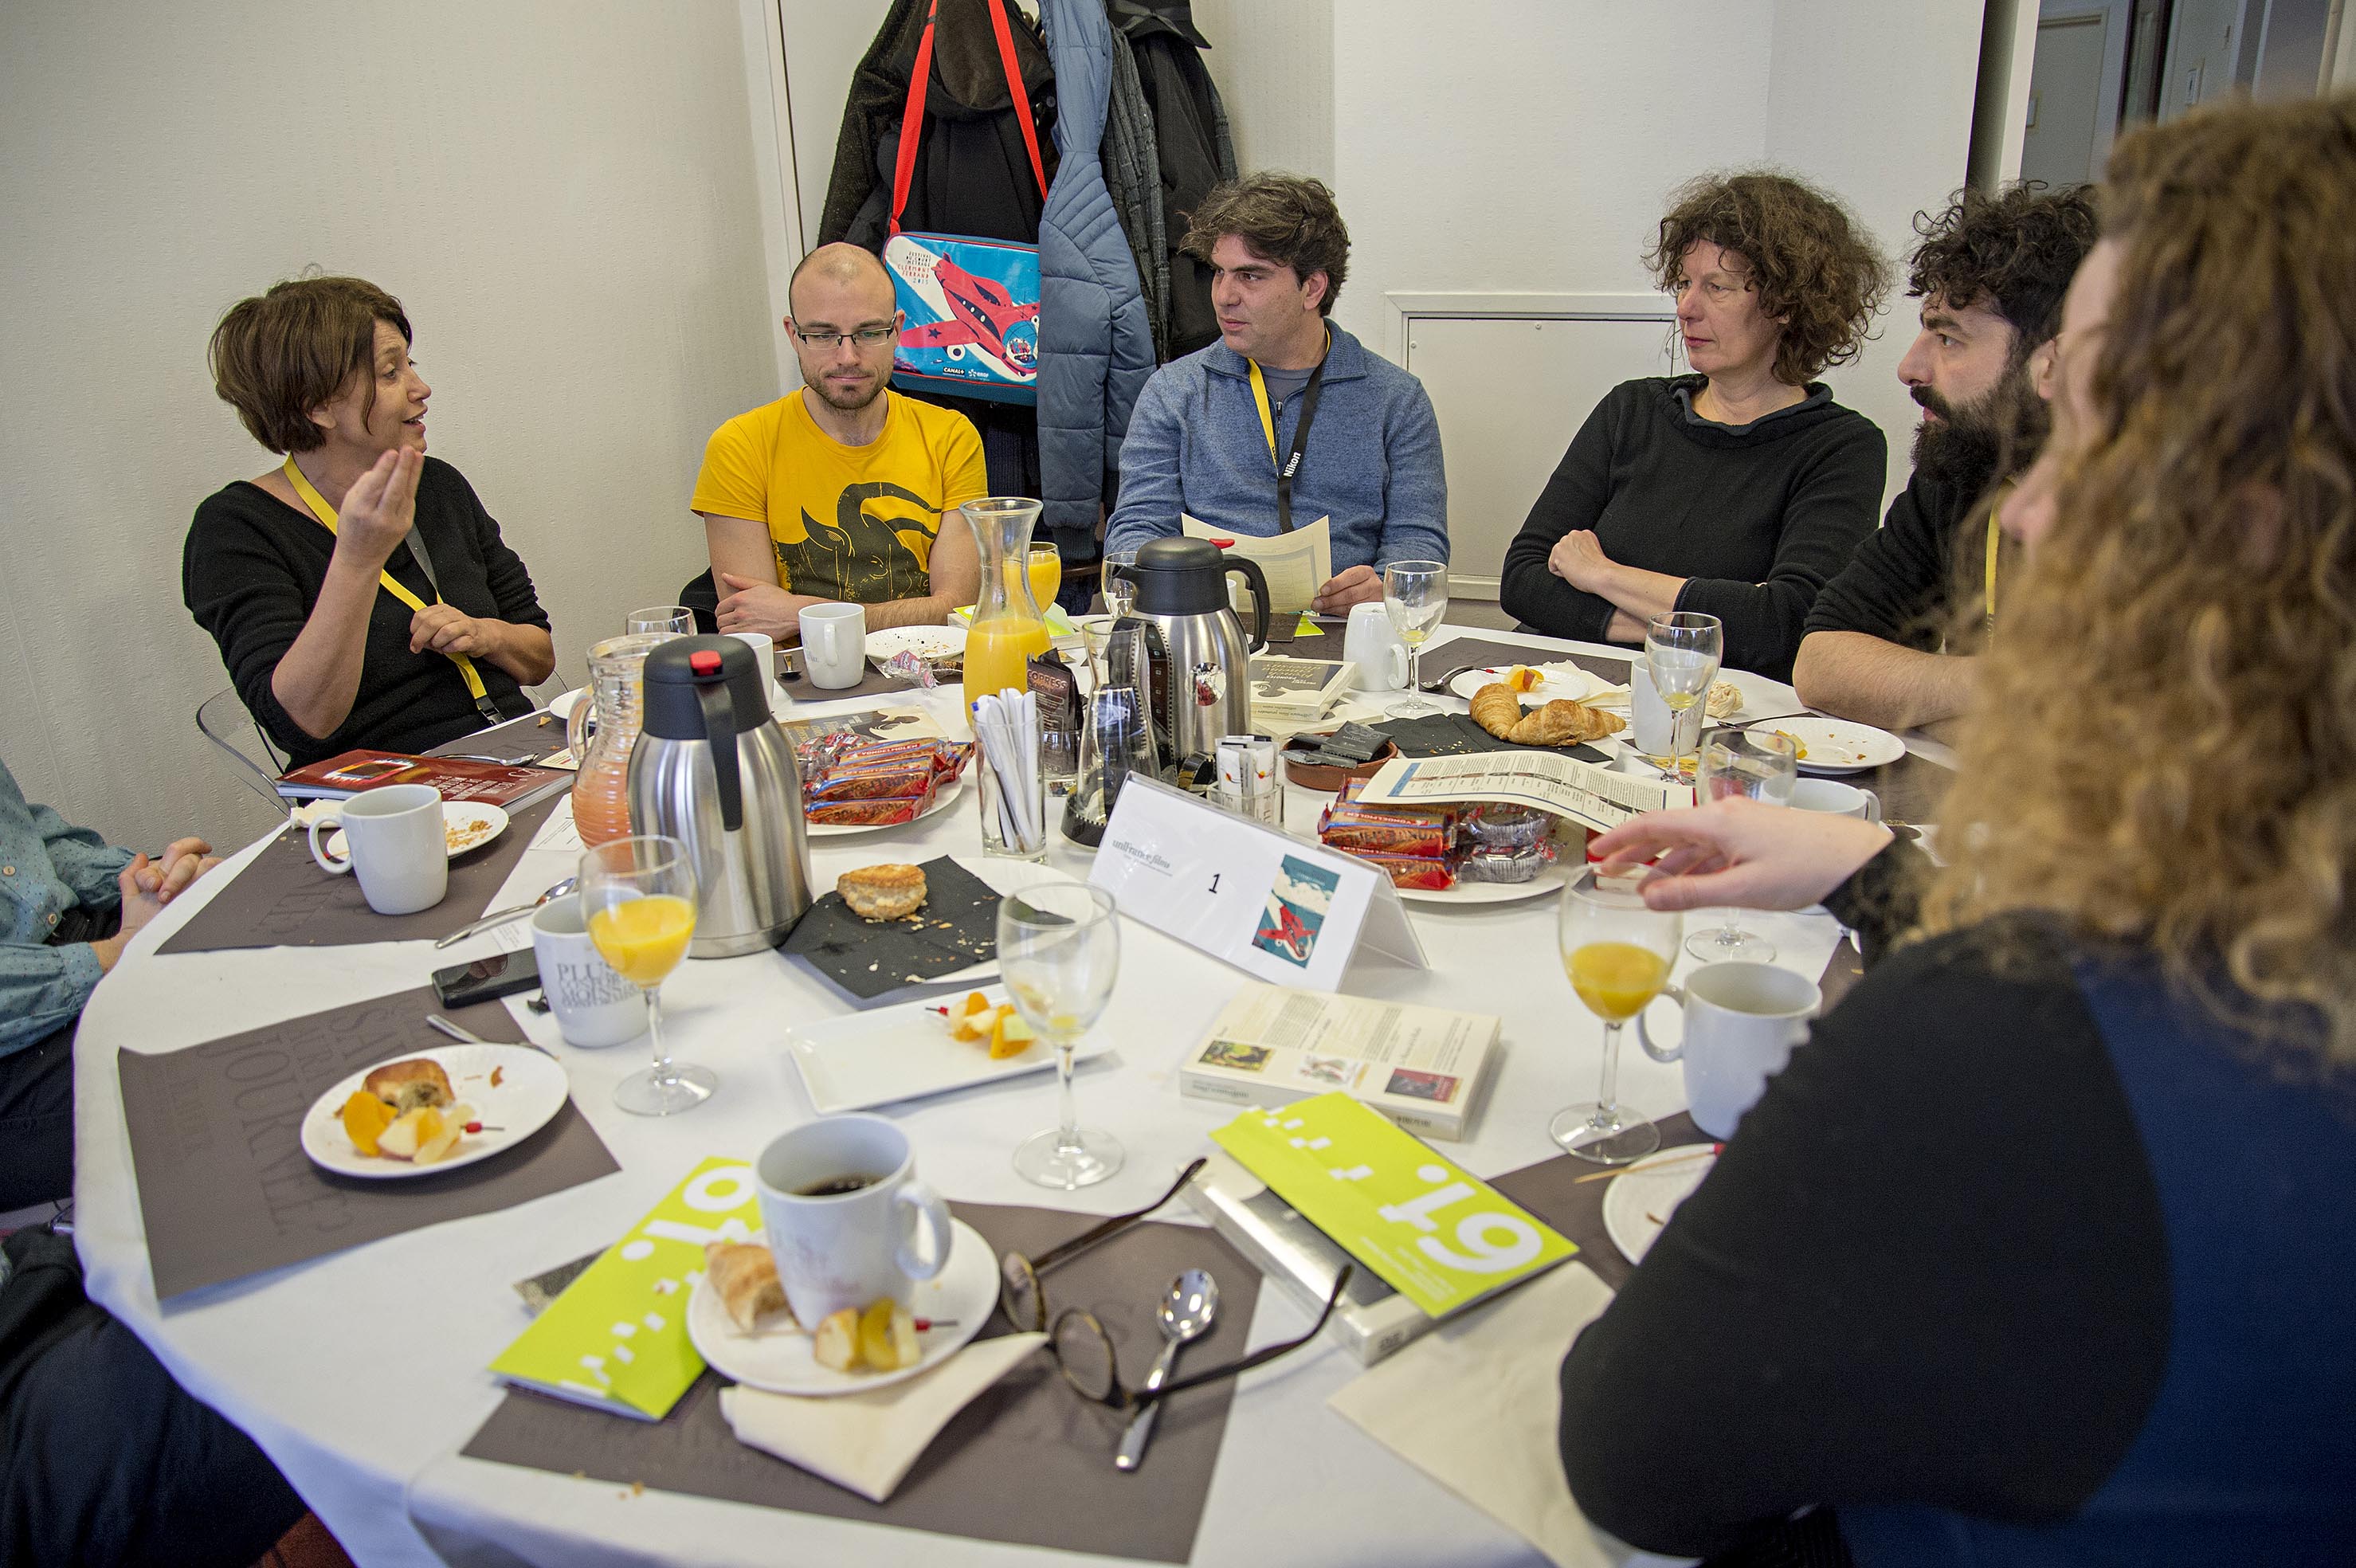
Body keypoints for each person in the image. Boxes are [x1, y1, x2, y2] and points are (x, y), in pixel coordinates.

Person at [1557, 96, 2356, 1566]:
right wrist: (1880, 872)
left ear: (2270, 521)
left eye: (2097, 430)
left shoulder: (2017, 1031)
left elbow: (1628, 1454)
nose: (2035, 514)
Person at [1500, 173, 1888, 680]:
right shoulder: (1632, 409)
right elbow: (1523, 576)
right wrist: (1685, 630)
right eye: (1684, 283)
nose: (1686, 308)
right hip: (1564, 684)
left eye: (1717, 288)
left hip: (1716, 711)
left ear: (1787, 305)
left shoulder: (1842, 448)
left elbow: (1786, 623)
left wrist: (1601, 574)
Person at [185, 277, 556, 770]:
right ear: (316, 406)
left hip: (520, 755)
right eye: (389, 373)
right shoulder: (234, 529)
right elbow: (305, 720)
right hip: (380, 797)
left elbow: (540, 658)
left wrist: (488, 635)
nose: (421, 389)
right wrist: (357, 558)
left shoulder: (437, 484)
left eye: (410, 365)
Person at [1792, 183, 2099, 730]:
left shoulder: (2162, 514)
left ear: (2056, 362)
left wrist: (1928, 696)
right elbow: (1822, 663)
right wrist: (2005, 684)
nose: (1910, 368)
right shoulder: (1963, 469)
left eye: (1949, 339)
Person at [1103, 173, 1448, 613]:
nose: (1225, 296)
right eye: (1219, 273)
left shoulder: (1396, 400)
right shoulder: (1173, 391)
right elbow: (1136, 527)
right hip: (1209, 625)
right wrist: (1166, 581)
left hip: (1347, 629)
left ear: (1312, 288)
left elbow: (1419, 545)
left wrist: (1384, 588)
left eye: (1251, 276)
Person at [693, 243, 987, 638]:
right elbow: (752, 625)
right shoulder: (740, 446)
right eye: (823, 334)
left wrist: (799, 613)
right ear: (793, 335)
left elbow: (957, 612)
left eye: (868, 333)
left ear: (897, 330)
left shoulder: (951, 437)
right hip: (797, 691)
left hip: (928, 683)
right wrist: (907, 614)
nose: (847, 356)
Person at [2, 758, 216, 1210]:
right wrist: (121, 952)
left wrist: (153, 882)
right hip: (17, 1037)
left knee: (257, 937)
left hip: (77, 938)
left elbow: (25, 843)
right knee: (213, 1066)